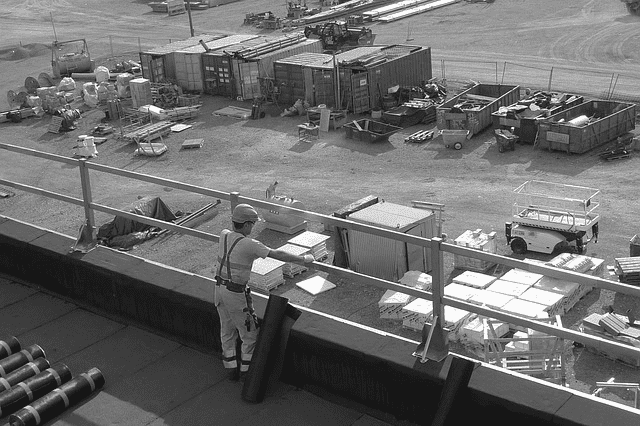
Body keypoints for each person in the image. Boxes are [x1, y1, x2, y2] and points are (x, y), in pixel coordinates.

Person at [214, 203, 315, 381]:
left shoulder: (224, 235)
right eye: (252, 224)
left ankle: (230, 369)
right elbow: (279, 255)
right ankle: (247, 374)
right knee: (250, 335)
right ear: (245, 224)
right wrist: (303, 259)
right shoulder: (250, 244)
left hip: (219, 290)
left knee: (227, 330)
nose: (253, 227)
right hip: (235, 295)